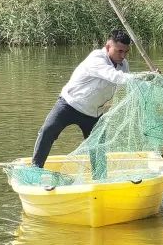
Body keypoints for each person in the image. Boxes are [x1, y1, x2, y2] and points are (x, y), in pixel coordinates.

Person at [31, 30, 154, 168]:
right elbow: (115, 76)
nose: (123, 55)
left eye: (126, 52)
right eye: (119, 51)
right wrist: (144, 76)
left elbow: (128, 83)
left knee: (98, 147)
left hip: (94, 113)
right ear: (108, 47)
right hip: (69, 104)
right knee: (47, 131)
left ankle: (100, 177)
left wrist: (151, 80)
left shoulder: (123, 65)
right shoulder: (96, 58)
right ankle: (35, 168)